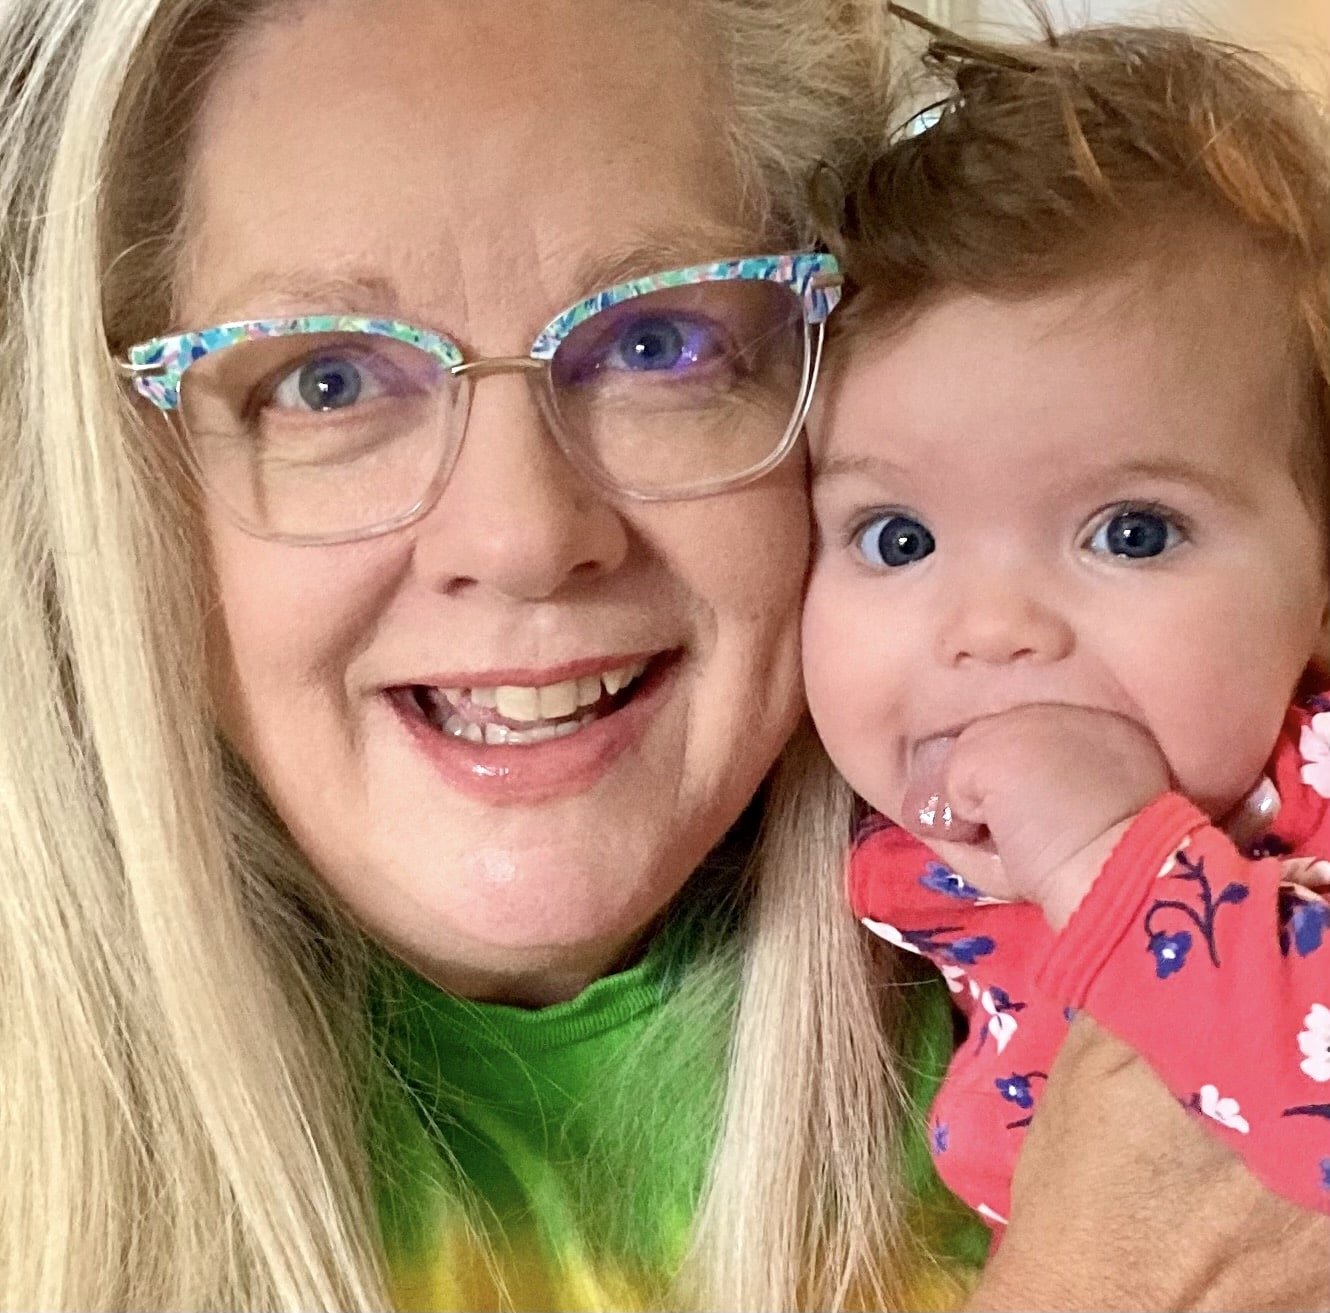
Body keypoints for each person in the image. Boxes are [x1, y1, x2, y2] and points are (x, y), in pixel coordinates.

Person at [3, 0, 1327, 1308]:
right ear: (104, 468)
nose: (523, 537)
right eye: (325, 381)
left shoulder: (1127, 892)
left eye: (658, 343)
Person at [803, 12, 1330, 1252]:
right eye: (897, 538)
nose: (990, 630)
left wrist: (1103, 851)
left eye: (1132, 532)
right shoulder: (875, 872)